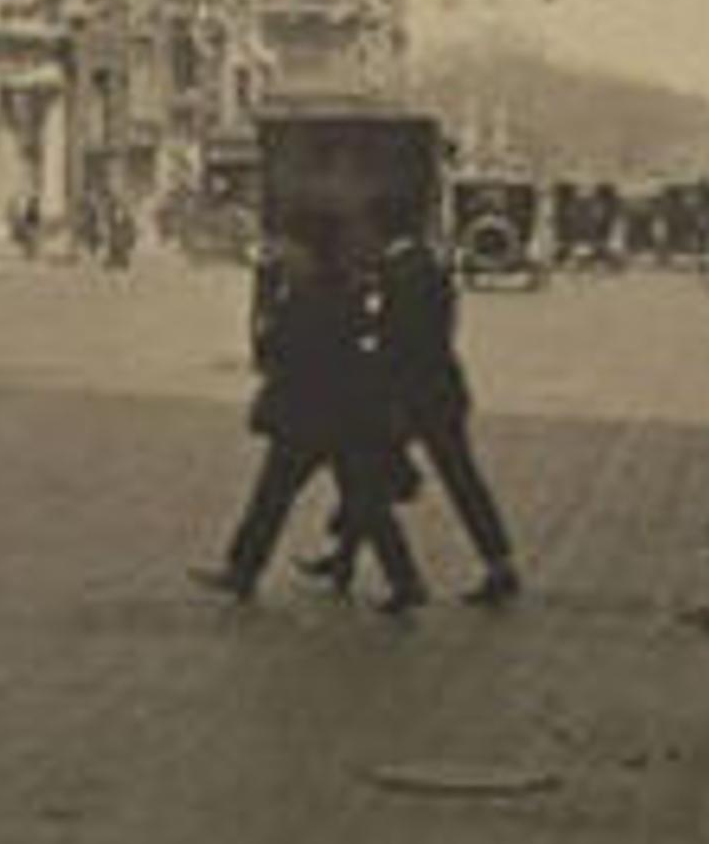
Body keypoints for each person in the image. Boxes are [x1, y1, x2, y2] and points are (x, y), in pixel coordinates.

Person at [194, 224, 429, 614]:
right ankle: (405, 580)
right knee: (364, 501)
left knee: (274, 496)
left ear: (310, 254)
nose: (285, 255)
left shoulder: (308, 296)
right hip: (344, 415)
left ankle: (243, 570)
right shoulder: (343, 290)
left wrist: (267, 305)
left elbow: (274, 349)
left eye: (292, 249)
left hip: (309, 415)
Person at [308, 222, 522, 606]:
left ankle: (382, 569)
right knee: (433, 476)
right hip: (439, 389)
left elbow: (402, 337)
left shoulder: (404, 272)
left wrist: (367, 345)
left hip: (414, 395)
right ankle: (496, 561)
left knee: (371, 473)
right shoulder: (425, 264)